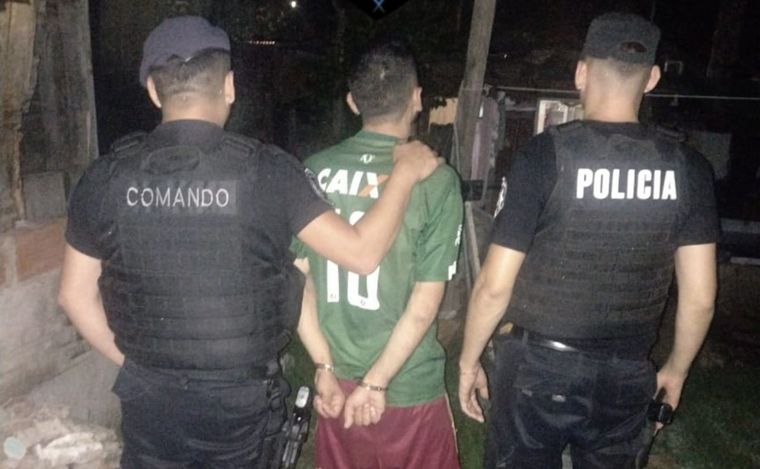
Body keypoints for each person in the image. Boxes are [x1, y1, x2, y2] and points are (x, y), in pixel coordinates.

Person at [57, 16, 441, 468]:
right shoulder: (269, 172)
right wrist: (404, 173)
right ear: (230, 87)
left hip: (149, 404)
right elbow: (361, 254)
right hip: (239, 410)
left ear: (155, 92)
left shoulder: (103, 179)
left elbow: (73, 295)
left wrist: (137, 367)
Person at [458, 12, 719, 469]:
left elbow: (495, 286)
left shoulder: (544, 155)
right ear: (652, 79)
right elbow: (699, 300)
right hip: (626, 375)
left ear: (581, 73)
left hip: (538, 370)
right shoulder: (689, 169)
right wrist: (676, 371)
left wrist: (468, 361)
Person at [293, 40, 464, 469]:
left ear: (353, 102)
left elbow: (297, 282)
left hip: (337, 384)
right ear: (417, 98)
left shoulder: (313, 170)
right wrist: (377, 382)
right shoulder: (436, 179)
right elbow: (424, 305)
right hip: (407, 384)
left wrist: (324, 365)